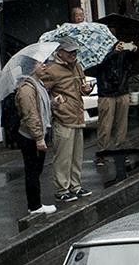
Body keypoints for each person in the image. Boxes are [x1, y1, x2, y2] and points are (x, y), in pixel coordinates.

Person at [35, 34, 89, 203]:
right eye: (70, 52)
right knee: (63, 156)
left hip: (78, 116)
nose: (74, 55)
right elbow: (41, 93)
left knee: (76, 156)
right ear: (60, 52)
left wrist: (85, 89)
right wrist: (54, 103)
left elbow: (81, 88)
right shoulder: (51, 70)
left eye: (75, 52)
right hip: (63, 118)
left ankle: (76, 186)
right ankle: (62, 189)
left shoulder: (78, 66)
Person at [10, 72, 56, 216]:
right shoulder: (26, 89)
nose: (44, 65)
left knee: (36, 170)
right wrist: (38, 138)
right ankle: (35, 205)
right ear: (31, 68)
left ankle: (36, 204)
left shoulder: (38, 84)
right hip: (29, 136)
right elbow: (31, 114)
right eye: (39, 63)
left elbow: (41, 107)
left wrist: (54, 102)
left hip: (37, 133)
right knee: (32, 171)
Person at [91, 39, 139, 156]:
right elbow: (98, 66)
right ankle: (102, 151)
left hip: (122, 90)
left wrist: (134, 50)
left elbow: (133, 63)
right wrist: (114, 53)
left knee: (122, 124)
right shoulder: (99, 49)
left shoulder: (125, 51)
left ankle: (120, 149)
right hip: (106, 92)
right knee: (105, 124)